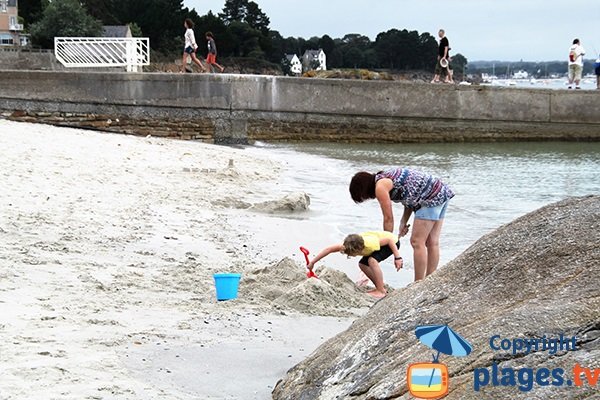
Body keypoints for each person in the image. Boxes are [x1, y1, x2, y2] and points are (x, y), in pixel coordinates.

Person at [349, 168, 454, 282]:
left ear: (363, 190)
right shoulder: (385, 177)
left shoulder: (380, 187)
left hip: (430, 197)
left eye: (363, 197)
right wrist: (403, 222)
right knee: (432, 242)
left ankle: (418, 283)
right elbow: (409, 197)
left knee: (417, 241)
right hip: (440, 191)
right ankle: (430, 280)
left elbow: (388, 218)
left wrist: (387, 242)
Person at [307, 231, 403, 299]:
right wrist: (312, 262)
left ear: (360, 249)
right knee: (362, 264)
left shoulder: (370, 244)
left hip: (392, 243)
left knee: (372, 261)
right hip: (383, 243)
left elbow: (390, 240)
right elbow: (329, 250)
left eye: (351, 254)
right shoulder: (348, 245)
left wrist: (397, 258)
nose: (350, 255)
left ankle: (381, 291)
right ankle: (379, 287)